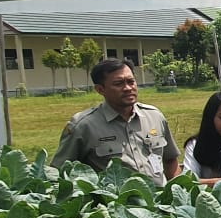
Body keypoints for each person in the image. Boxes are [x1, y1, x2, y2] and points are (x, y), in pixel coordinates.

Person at [52, 58, 180, 185]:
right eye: (119, 84)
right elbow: (60, 173)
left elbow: (170, 160)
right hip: (115, 204)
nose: (128, 88)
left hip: (161, 203)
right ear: (100, 89)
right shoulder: (83, 126)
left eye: (131, 82)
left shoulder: (154, 116)